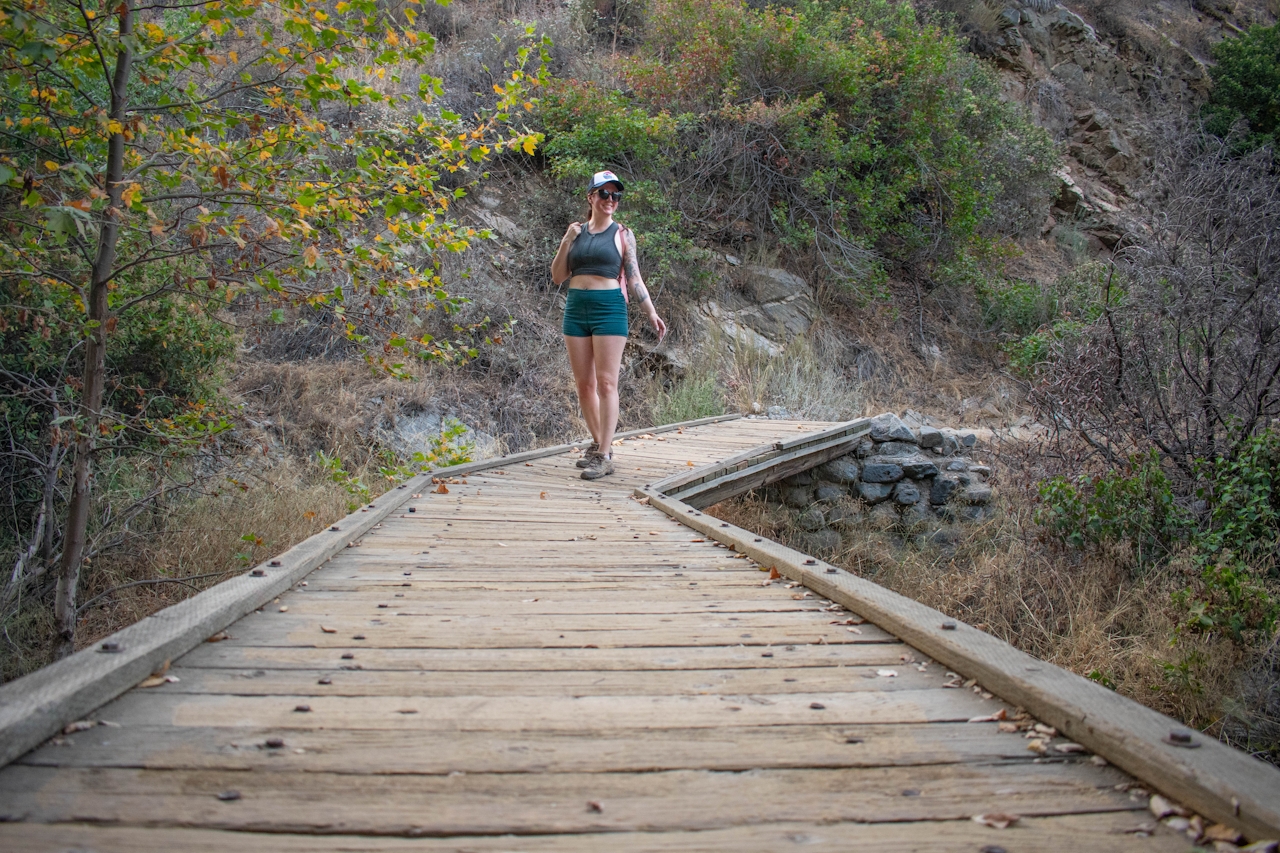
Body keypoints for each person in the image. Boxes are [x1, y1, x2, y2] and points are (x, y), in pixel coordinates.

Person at [551, 171, 667, 480]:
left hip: (609, 309)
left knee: (606, 383)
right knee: (584, 384)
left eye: (616, 196)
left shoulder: (622, 234)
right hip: (576, 307)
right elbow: (557, 276)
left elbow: (634, 277)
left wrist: (651, 313)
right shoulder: (576, 233)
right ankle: (597, 445)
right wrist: (567, 240)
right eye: (604, 194)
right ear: (591, 197)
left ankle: (605, 453)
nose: (611, 201)